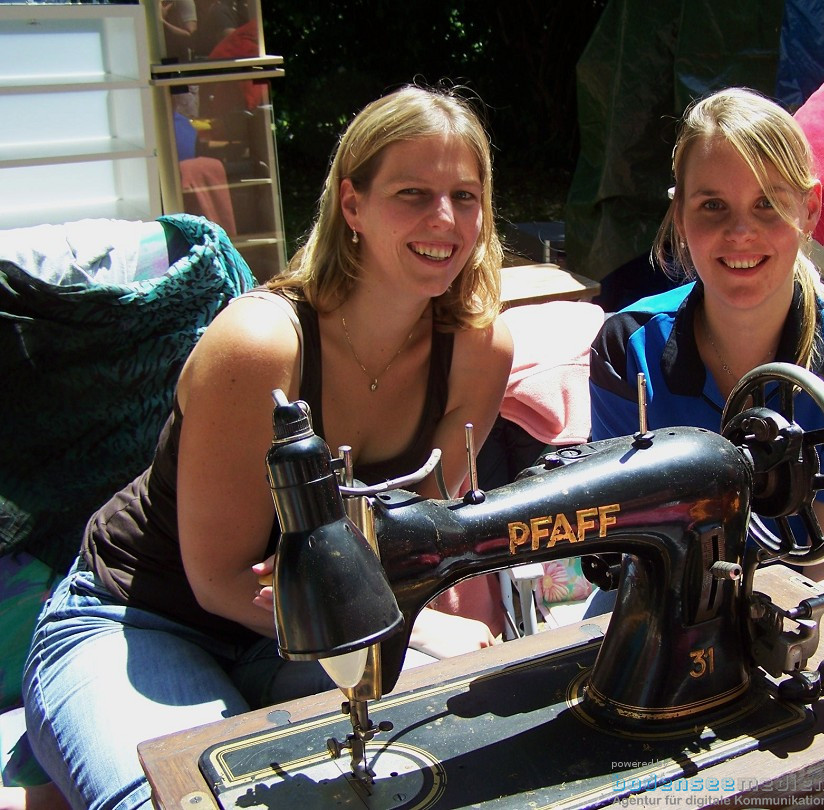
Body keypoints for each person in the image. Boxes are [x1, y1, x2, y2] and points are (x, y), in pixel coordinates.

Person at [21, 84, 514, 810]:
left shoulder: (478, 351)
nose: (444, 220)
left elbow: (413, 544)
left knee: (467, 753)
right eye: (412, 193)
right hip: (144, 620)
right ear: (352, 206)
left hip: (298, 634)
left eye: (465, 196)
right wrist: (425, 624)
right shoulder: (260, 346)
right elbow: (221, 581)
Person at [588, 86, 824, 596]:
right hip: (655, 599)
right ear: (679, 214)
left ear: (811, 209)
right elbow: (619, 532)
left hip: (795, 609)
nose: (740, 232)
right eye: (712, 204)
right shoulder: (626, 349)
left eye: (767, 203)